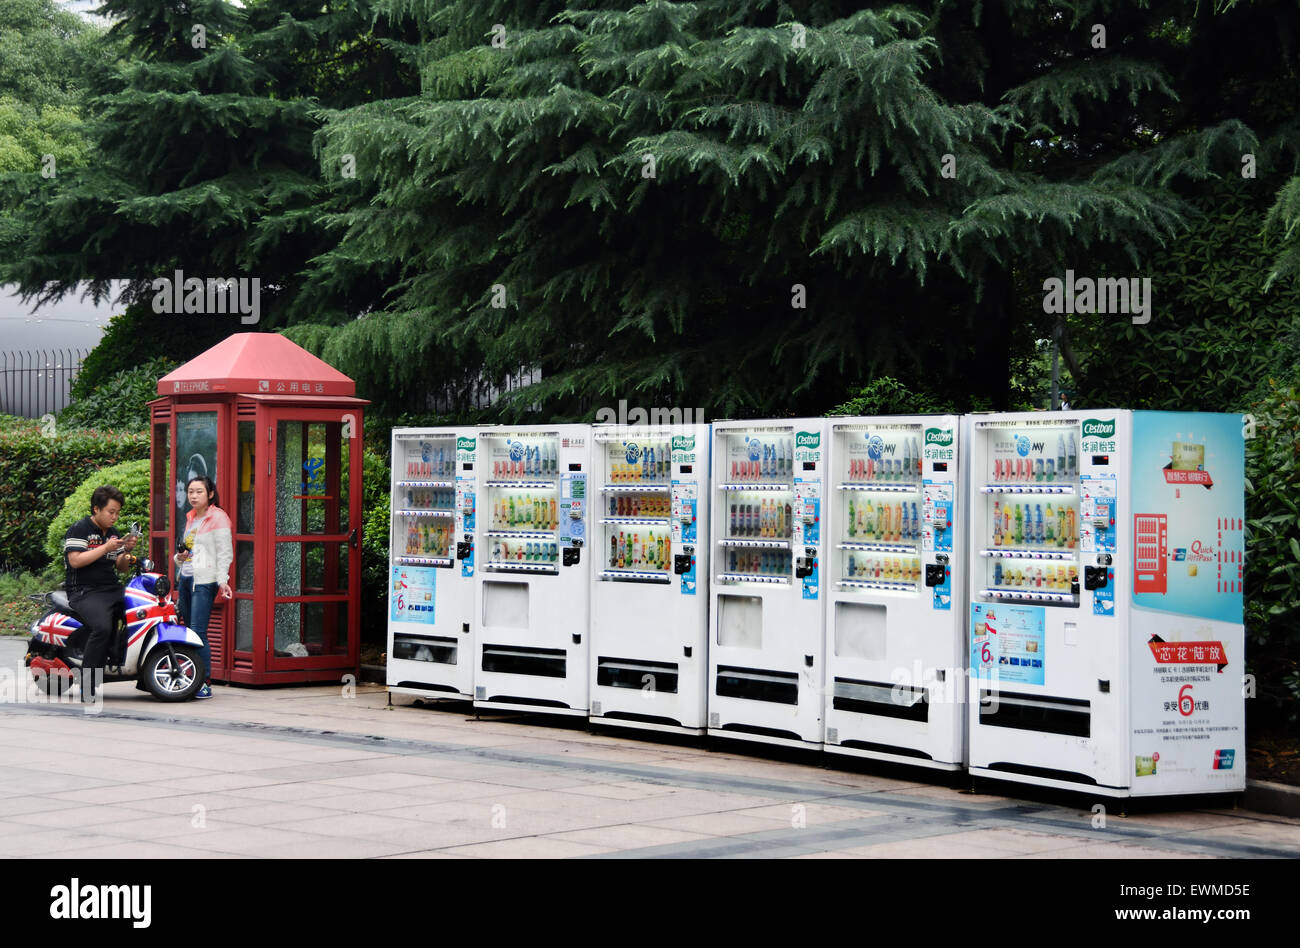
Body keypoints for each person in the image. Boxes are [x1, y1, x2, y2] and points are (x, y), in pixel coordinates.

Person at [63, 485, 138, 700]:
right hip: (84, 591)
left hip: (111, 588)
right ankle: (87, 686)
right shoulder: (80, 529)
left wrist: (126, 550)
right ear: (96, 509)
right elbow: (75, 561)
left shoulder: (113, 534)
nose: (115, 517)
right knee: (103, 628)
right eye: (111, 512)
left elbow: (121, 567)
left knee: (141, 612)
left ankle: (121, 663)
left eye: (117, 512)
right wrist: (105, 548)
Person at [174, 476, 232, 700]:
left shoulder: (218, 517)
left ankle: (204, 682)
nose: (193, 496)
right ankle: (191, 679)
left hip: (205, 581)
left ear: (210, 494)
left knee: (198, 632)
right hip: (187, 579)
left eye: (199, 491)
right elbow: (186, 555)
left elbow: (225, 553)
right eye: (190, 492)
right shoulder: (190, 519)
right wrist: (179, 557)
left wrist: (222, 580)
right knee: (188, 632)